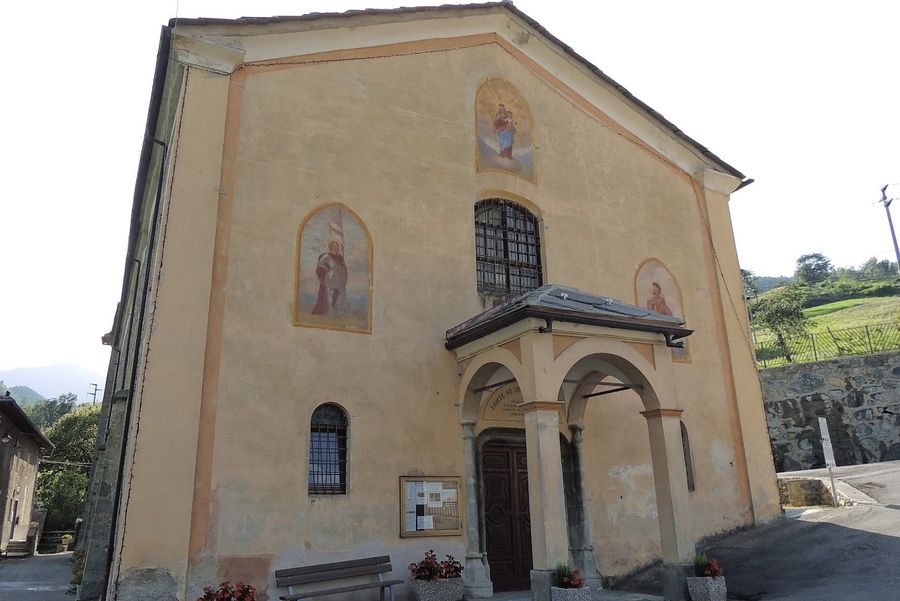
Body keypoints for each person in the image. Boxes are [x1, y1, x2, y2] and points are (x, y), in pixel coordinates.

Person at [312, 240, 349, 316]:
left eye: (336, 245)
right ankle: (329, 312)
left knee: (338, 293)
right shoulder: (327, 255)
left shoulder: (340, 257)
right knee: (329, 294)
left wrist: (343, 274)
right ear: (331, 246)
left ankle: (339, 311)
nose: (335, 247)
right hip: (330, 277)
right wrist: (327, 268)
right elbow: (320, 263)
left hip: (338, 278)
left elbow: (343, 267)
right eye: (334, 245)